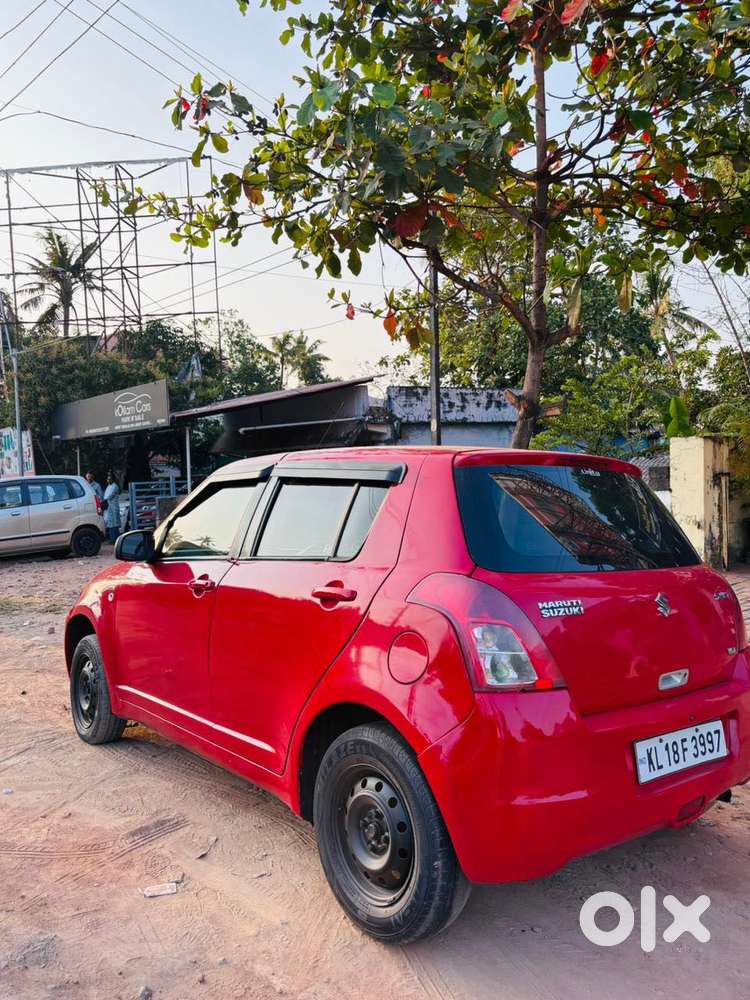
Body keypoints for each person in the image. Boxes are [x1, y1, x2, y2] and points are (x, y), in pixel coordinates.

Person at [103, 472, 122, 543]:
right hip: (109, 508)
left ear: (113, 479)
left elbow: (109, 496)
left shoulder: (115, 486)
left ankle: (115, 539)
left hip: (113, 507)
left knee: (115, 524)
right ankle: (112, 539)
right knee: (110, 523)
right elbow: (105, 496)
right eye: (107, 479)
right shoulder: (108, 486)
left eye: (110, 479)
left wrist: (104, 501)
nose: (108, 480)